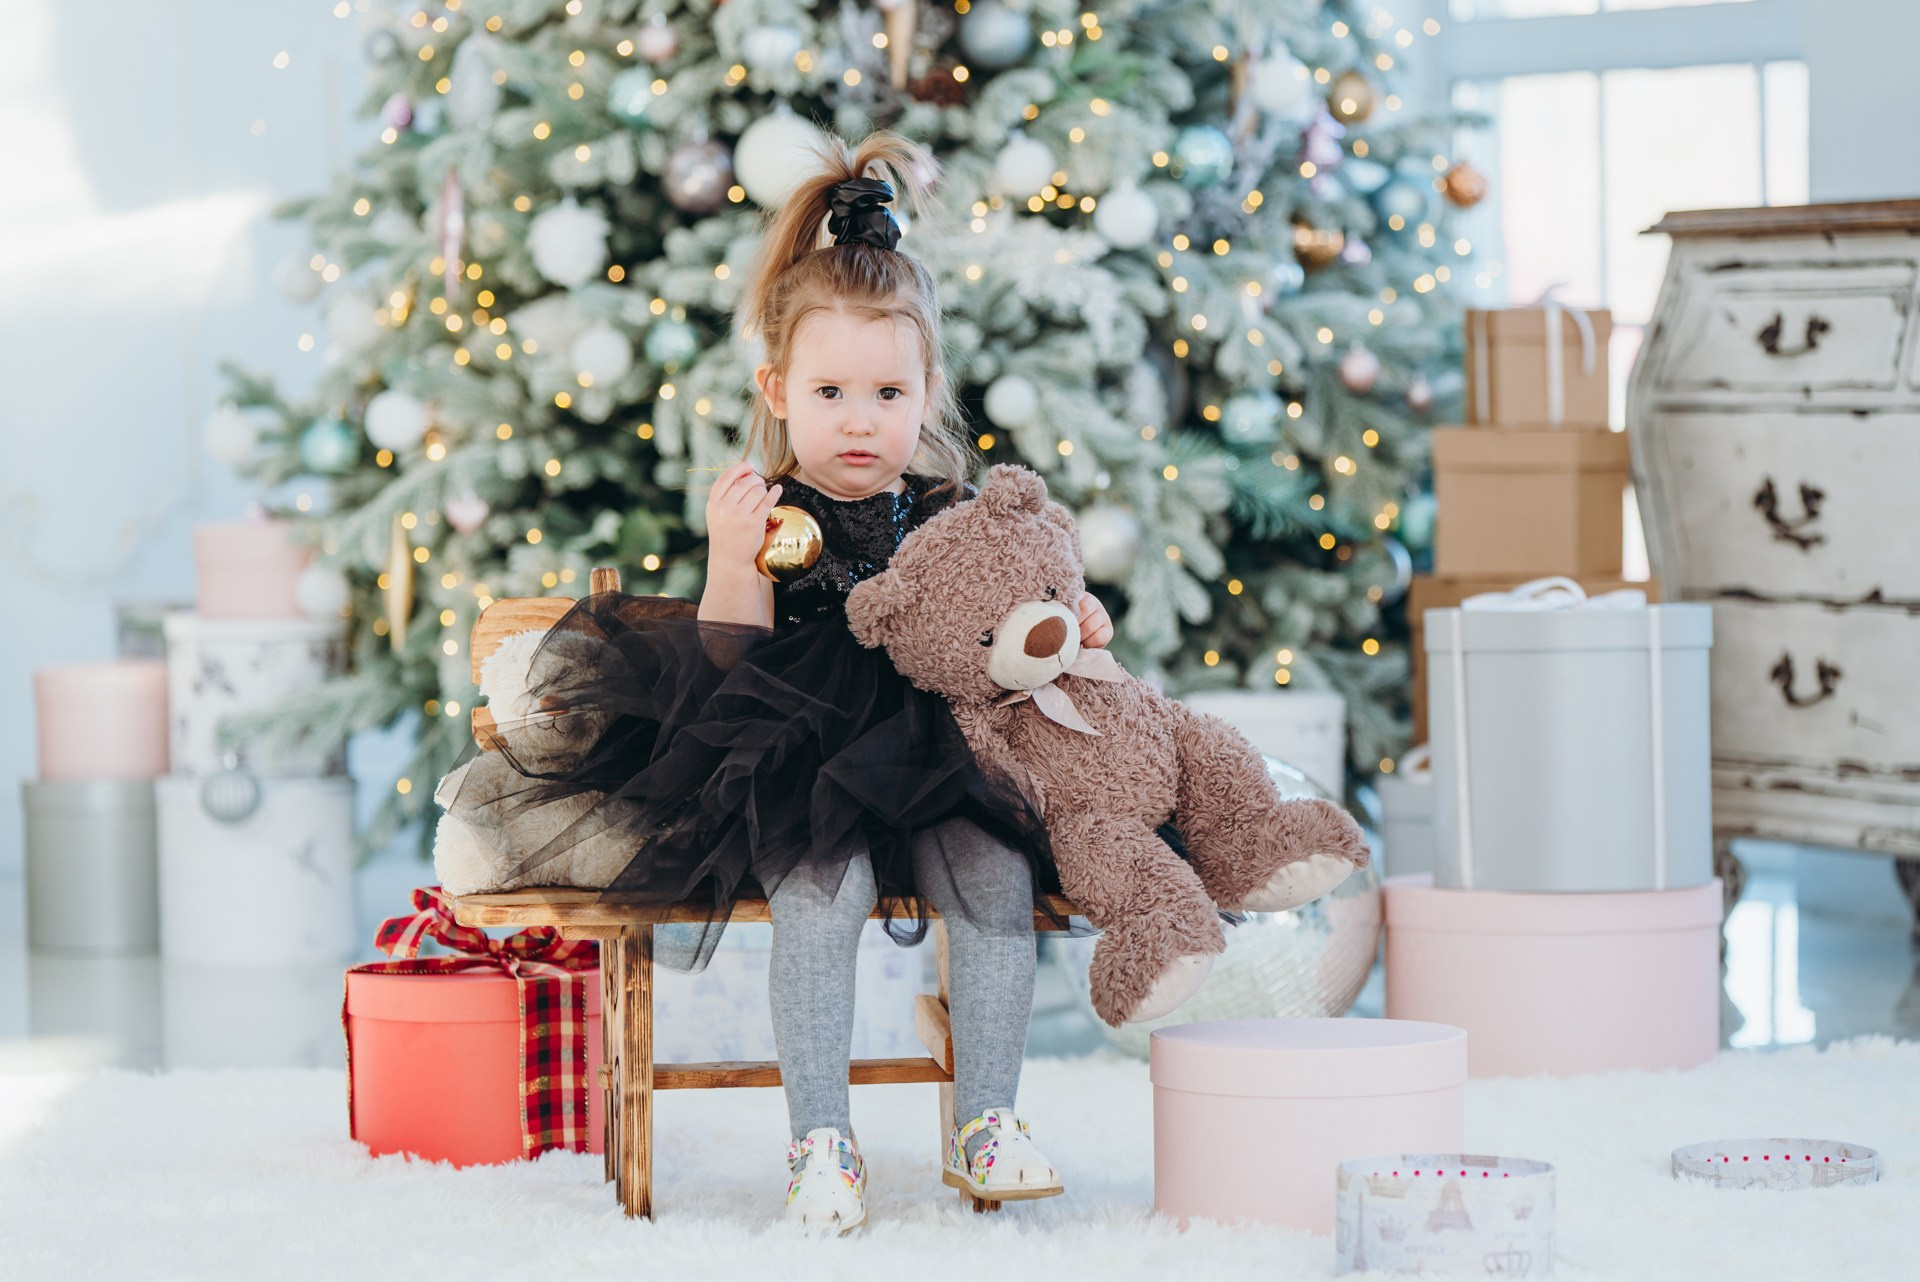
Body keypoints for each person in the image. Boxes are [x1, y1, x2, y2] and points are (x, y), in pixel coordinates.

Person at [452, 130, 1113, 1235]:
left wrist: (1076, 625)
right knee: (823, 896)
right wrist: (728, 557)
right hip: (802, 772)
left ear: (927, 389)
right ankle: (822, 1143)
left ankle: (986, 1122)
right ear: (778, 388)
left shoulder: (956, 514)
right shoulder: (773, 516)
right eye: (833, 390)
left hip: (950, 766)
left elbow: (1022, 629)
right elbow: (730, 672)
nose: (861, 419)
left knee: (995, 885)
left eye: (889, 391)